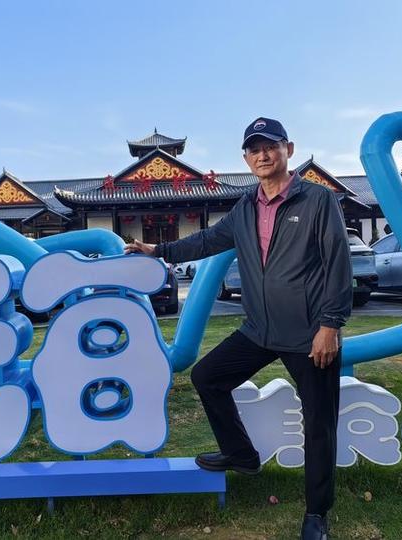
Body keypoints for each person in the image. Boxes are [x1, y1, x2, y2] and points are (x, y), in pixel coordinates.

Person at [124, 117, 352, 540]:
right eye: (254, 149)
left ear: (288, 150)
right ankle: (241, 455)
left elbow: (338, 263)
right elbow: (206, 241)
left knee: (318, 423)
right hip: (259, 328)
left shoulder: (318, 200)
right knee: (207, 376)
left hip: (308, 333)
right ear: (246, 158)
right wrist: (158, 249)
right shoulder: (245, 207)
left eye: (271, 146)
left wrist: (330, 325)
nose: (263, 155)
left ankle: (317, 513)